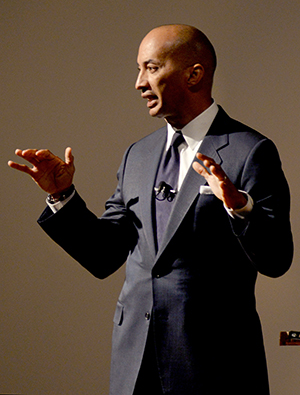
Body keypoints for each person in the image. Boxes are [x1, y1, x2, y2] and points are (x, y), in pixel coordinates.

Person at [8, 24, 293, 395]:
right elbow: (103, 254)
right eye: (139, 69)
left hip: (214, 366)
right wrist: (63, 196)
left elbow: (276, 259)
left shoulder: (249, 151)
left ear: (194, 74)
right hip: (136, 362)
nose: (139, 82)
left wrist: (240, 209)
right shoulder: (137, 156)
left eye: (152, 68)